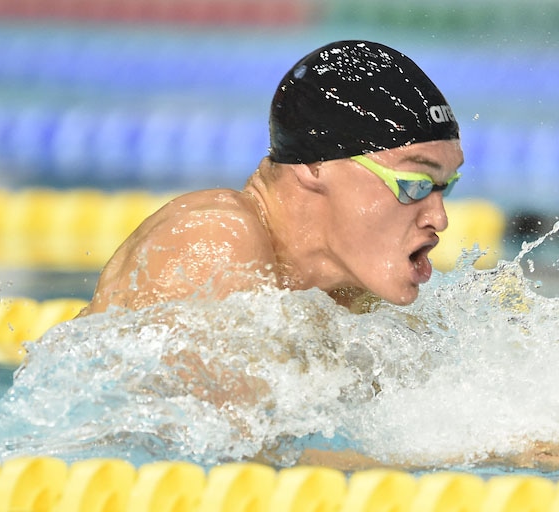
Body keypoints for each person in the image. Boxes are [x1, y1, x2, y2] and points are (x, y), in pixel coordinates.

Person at [81, 40, 464, 316]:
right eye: (414, 184)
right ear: (314, 164)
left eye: (444, 188)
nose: (439, 218)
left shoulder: (353, 299)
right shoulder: (215, 240)